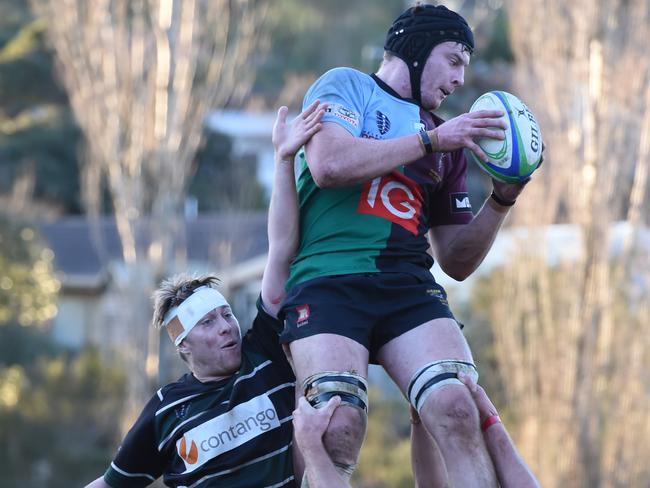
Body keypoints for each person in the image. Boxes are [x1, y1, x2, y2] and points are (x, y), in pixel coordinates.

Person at [279, 3, 541, 486]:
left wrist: (502, 201)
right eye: (455, 59)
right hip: (328, 279)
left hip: (408, 286)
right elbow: (329, 164)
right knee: (337, 425)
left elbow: (456, 261)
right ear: (417, 49)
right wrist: (431, 141)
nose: (460, 78)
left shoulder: (448, 140)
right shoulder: (345, 85)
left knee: (457, 407)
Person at [83, 101, 330, 488]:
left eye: (226, 315)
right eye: (207, 322)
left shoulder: (263, 355)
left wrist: (284, 157)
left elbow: (281, 248)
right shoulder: (169, 409)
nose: (225, 327)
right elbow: (110, 484)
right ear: (182, 346)